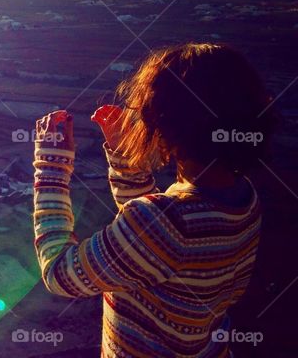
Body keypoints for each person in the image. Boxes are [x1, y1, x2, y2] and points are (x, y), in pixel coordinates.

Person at [32, 42, 276, 357]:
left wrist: (50, 168)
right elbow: (152, 252)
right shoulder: (242, 198)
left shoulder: (167, 221)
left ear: (165, 125)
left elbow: (60, 275)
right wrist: (124, 159)